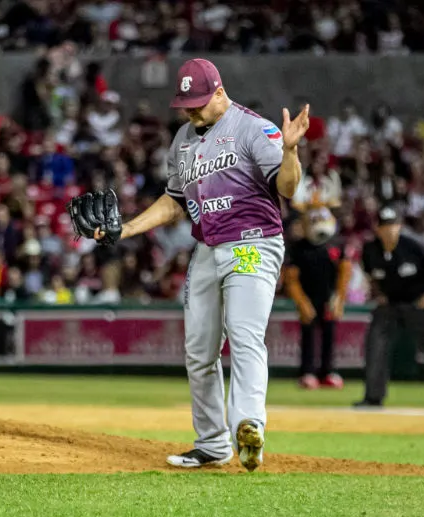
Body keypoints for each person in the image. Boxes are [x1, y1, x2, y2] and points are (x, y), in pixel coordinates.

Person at [68, 58, 309, 472]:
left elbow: (287, 188)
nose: (192, 111)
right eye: (186, 104)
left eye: (198, 102)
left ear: (219, 91)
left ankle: (249, 425)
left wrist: (289, 152)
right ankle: (213, 443)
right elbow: (175, 200)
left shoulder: (255, 129)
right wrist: (125, 229)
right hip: (207, 247)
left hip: (252, 242)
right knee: (199, 350)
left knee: (245, 334)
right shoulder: (183, 138)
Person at [356, 205, 424, 409]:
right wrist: (379, 295)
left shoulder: (414, 245)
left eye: (393, 226)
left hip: (419, 303)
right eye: (385, 226)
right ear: (378, 229)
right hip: (390, 304)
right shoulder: (370, 250)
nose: (389, 230)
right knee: (375, 345)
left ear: (399, 226)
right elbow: (371, 275)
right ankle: (373, 397)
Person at [284, 204, 350, 390]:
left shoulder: (336, 245)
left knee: (329, 334)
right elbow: (291, 278)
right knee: (308, 335)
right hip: (308, 297)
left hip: (329, 297)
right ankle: (308, 372)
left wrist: (339, 298)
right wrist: (301, 302)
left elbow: (344, 274)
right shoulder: (298, 248)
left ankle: (328, 371)